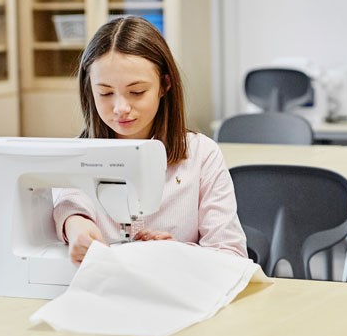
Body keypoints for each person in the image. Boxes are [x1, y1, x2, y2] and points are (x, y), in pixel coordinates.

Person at [54, 16, 247, 263]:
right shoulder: (73, 156)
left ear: (164, 85)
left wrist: (179, 252)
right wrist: (74, 225)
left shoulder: (202, 156)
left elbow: (231, 255)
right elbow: (69, 204)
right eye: (105, 93)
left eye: (137, 92)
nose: (120, 107)